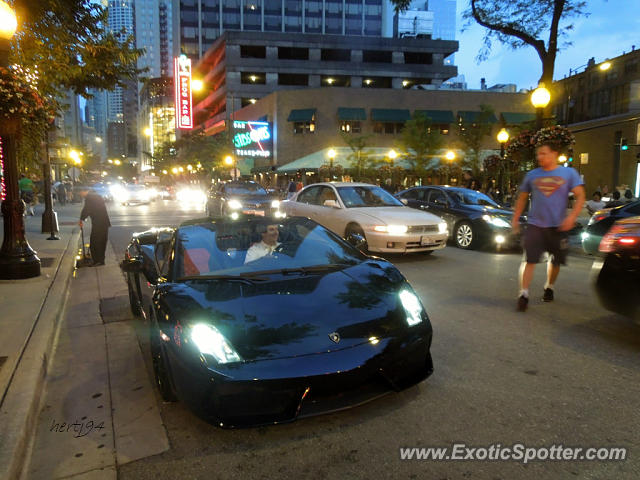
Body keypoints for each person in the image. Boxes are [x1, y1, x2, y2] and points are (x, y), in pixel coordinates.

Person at [511, 141, 586, 312]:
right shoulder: (532, 175)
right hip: (535, 224)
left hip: (558, 227)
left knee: (556, 260)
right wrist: (515, 219)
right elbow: (522, 198)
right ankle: (523, 294)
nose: (540, 157)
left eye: (543, 153)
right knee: (529, 259)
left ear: (554, 154)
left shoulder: (568, 173)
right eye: (538, 154)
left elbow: (580, 196)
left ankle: (549, 287)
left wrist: (572, 217)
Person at [78, 185, 111, 266]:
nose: (80, 195)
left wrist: (81, 219)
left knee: (95, 242)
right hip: (103, 222)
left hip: (99, 223)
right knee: (101, 241)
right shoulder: (95, 195)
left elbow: (87, 209)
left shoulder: (90, 198)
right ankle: (101, 260)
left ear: (83, 191)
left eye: (80, 193)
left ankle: (97, 260)